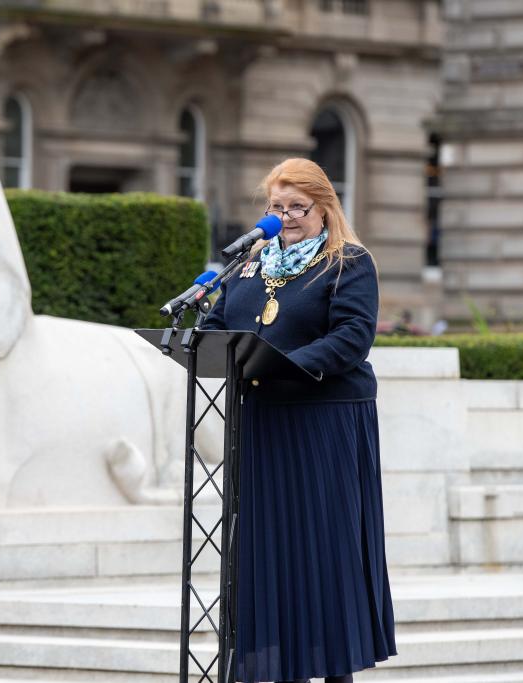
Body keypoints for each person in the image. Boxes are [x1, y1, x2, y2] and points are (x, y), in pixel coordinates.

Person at [201, 158, 396, 683]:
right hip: (263, 422)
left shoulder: (348, 262)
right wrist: (199, 323)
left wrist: (291, 364)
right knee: (269, 554)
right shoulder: (248, 266)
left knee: (321, 555)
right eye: (276, 207)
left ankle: (333, 671)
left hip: (323, 423)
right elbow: (219, 328)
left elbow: (353, 336)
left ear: (324, 208)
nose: (285, 217)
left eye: (297, 207)